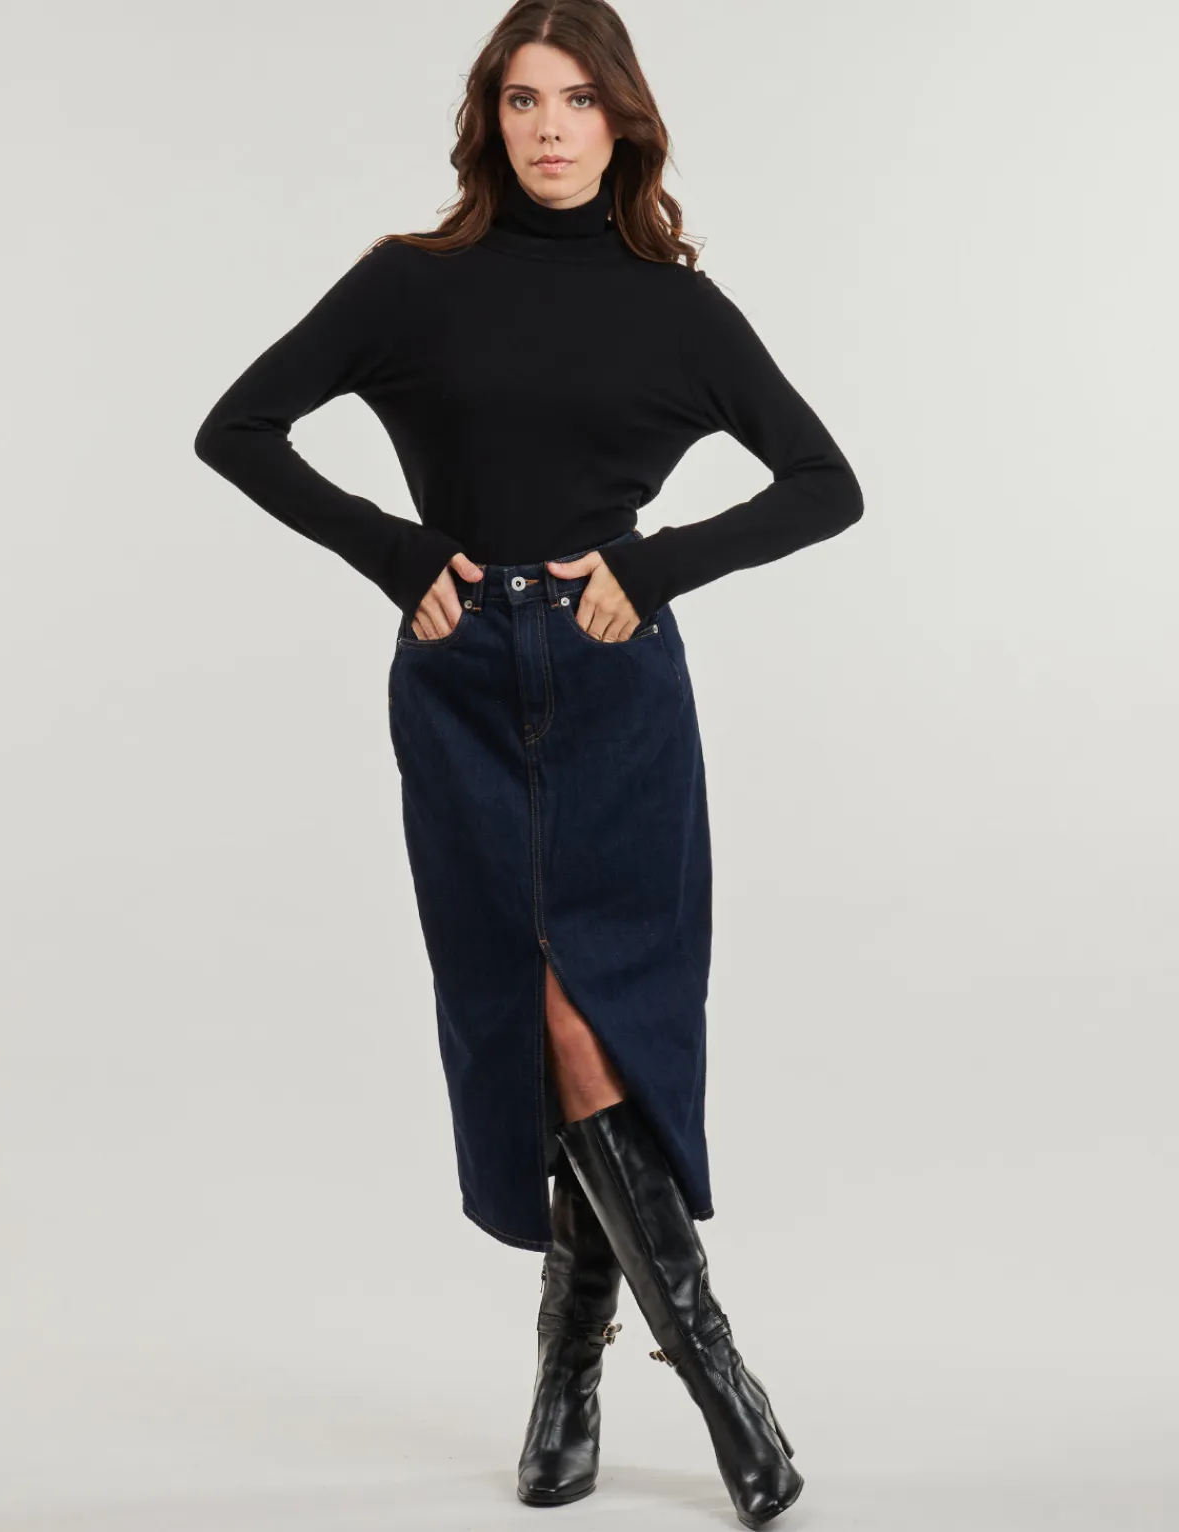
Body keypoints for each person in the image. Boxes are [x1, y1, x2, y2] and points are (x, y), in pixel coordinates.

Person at [192, 2, 863, 1525]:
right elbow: (239, 428)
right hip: (463, 684)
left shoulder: (676, 308)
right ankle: (658, 1377)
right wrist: (392, 553)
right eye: (521, 99)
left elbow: (827, 483)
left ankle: (630, 1373)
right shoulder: (408, 283)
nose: (550, 127)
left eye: (577, 100)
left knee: (593, 1012)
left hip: (618, 687)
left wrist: (658, 563)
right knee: (525, 1007)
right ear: (488, 120)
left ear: (624, 119)